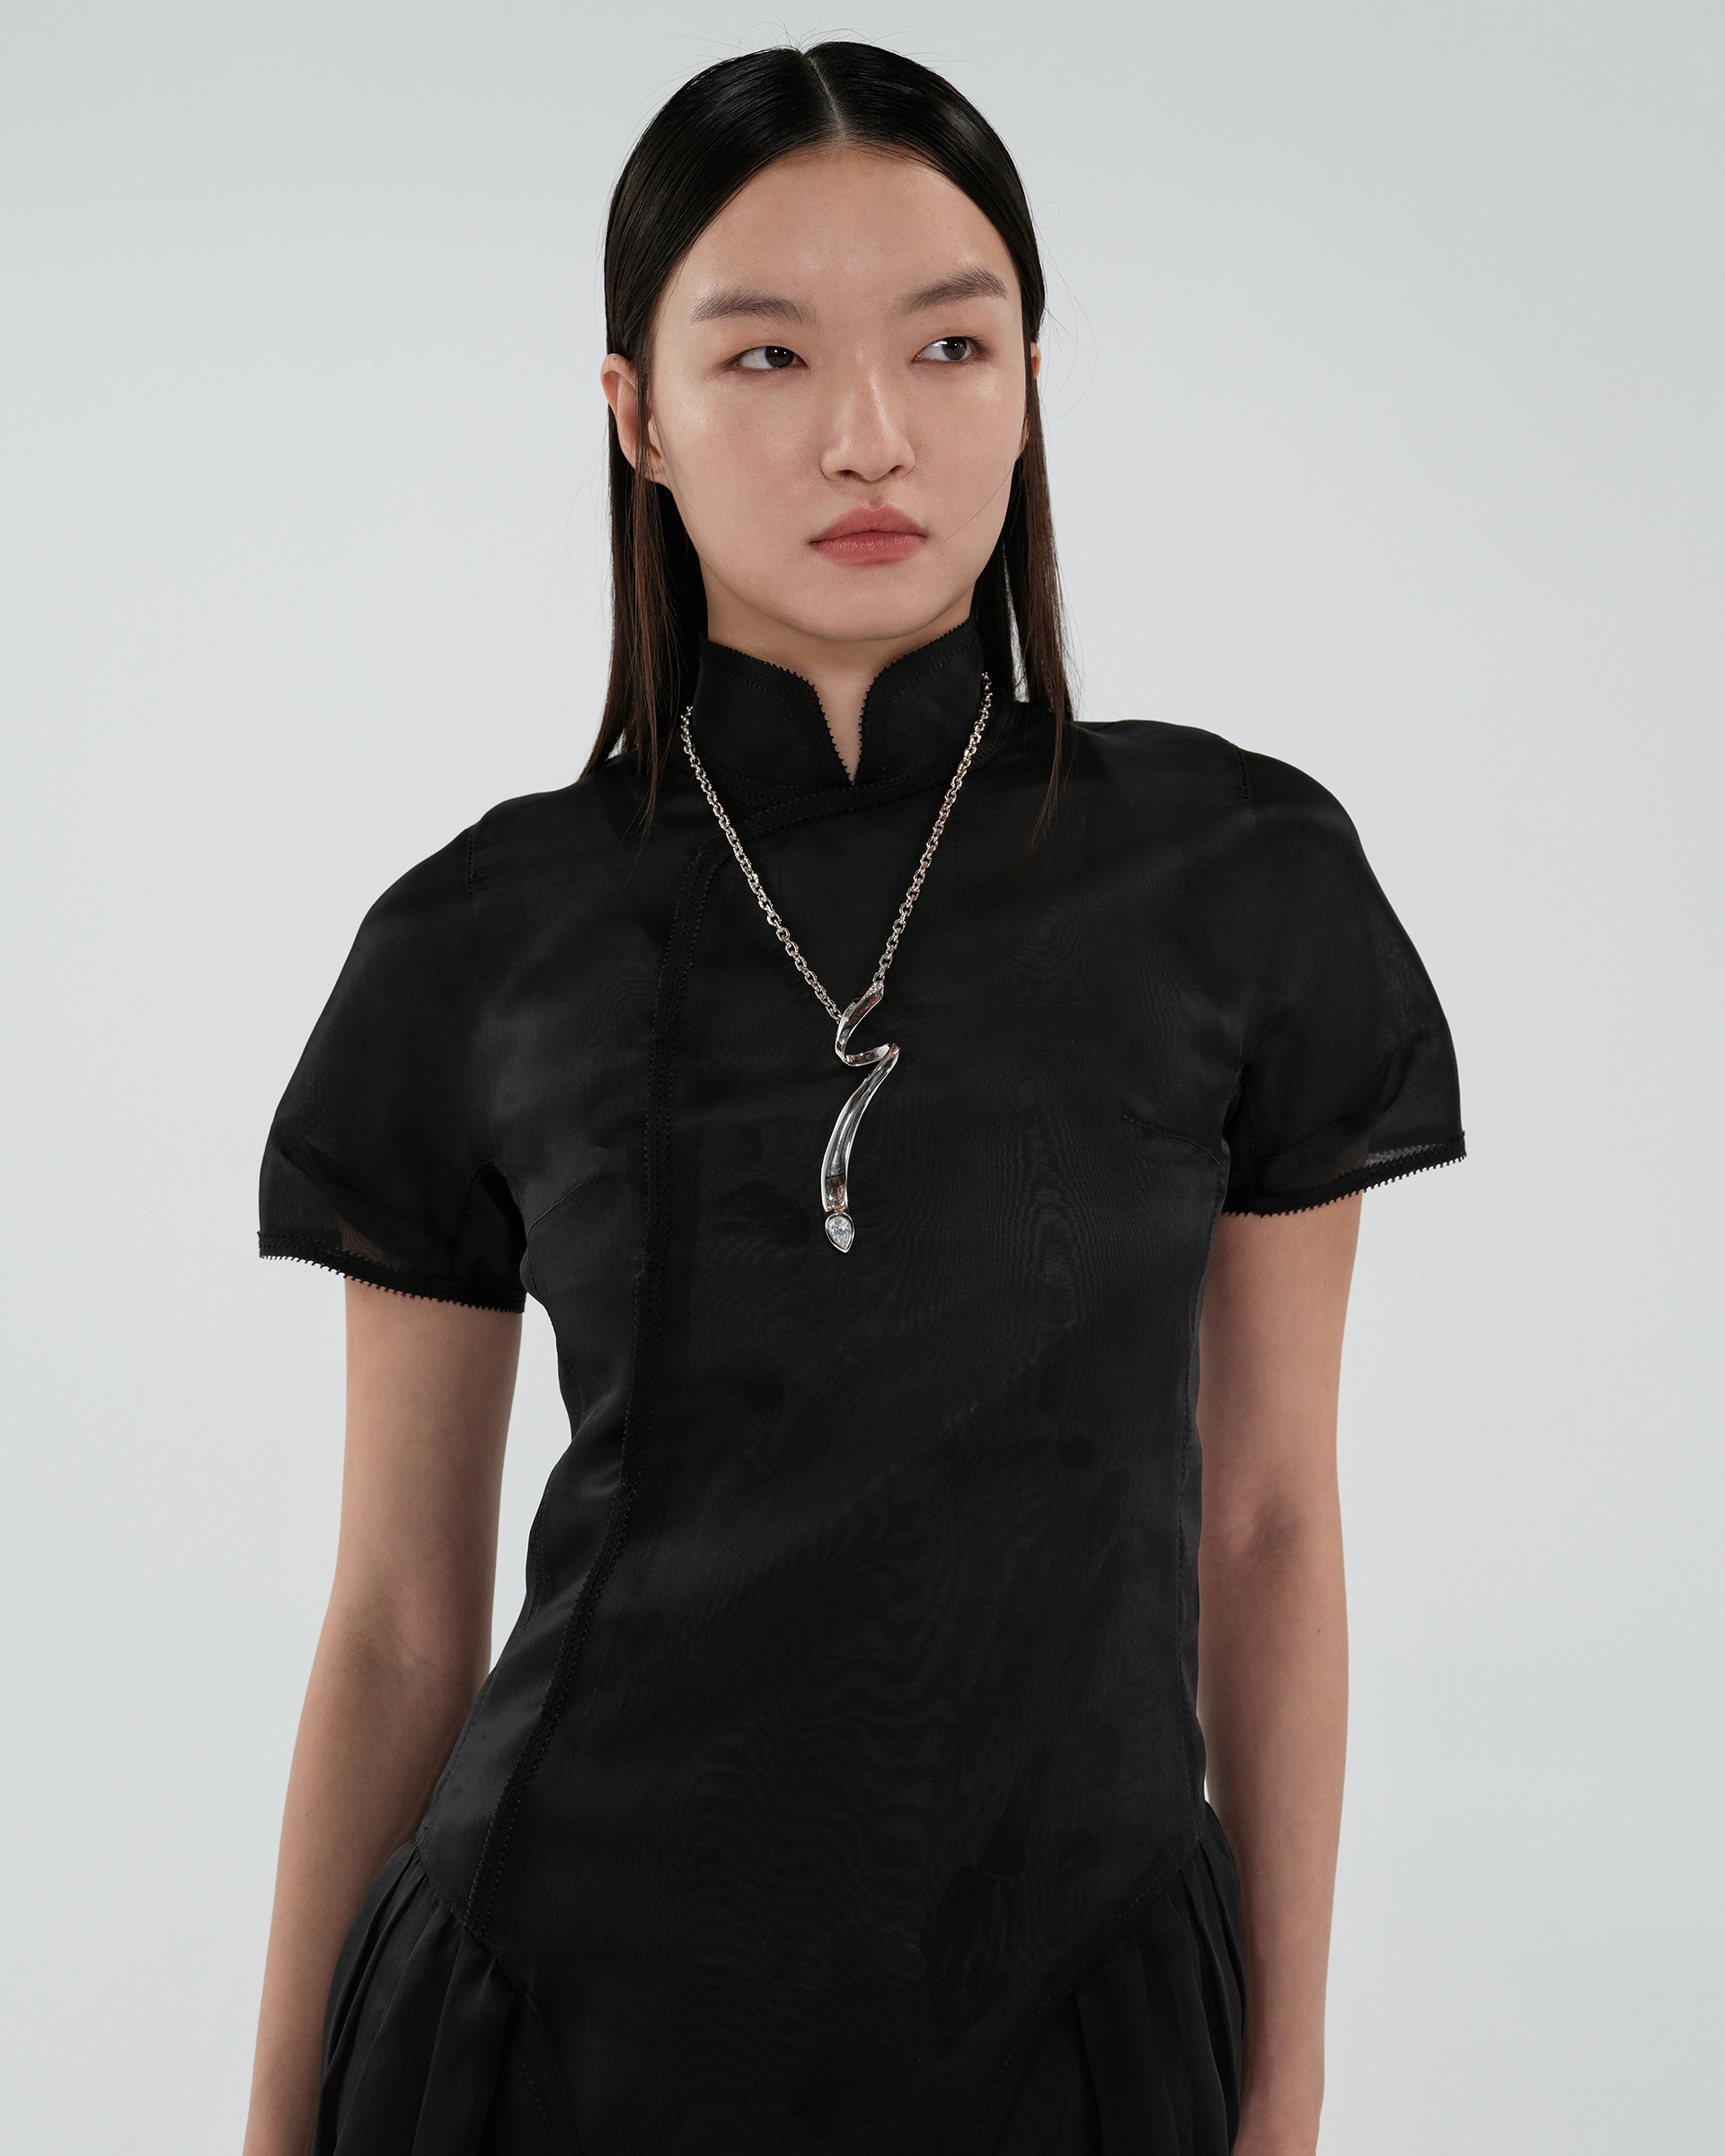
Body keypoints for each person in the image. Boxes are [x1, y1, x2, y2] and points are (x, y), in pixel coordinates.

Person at [242, 41, 1464, 2156]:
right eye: (768, 355)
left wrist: (1283, 2091)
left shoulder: (1241, 878)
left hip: (1082, 2031)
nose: (870, 433)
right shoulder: (479, 937)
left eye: (949, 344)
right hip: (550, 2038)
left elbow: (1270, 1525)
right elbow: (394, 1626)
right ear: (635, 414)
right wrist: (274, 2128)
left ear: (1031, 384)